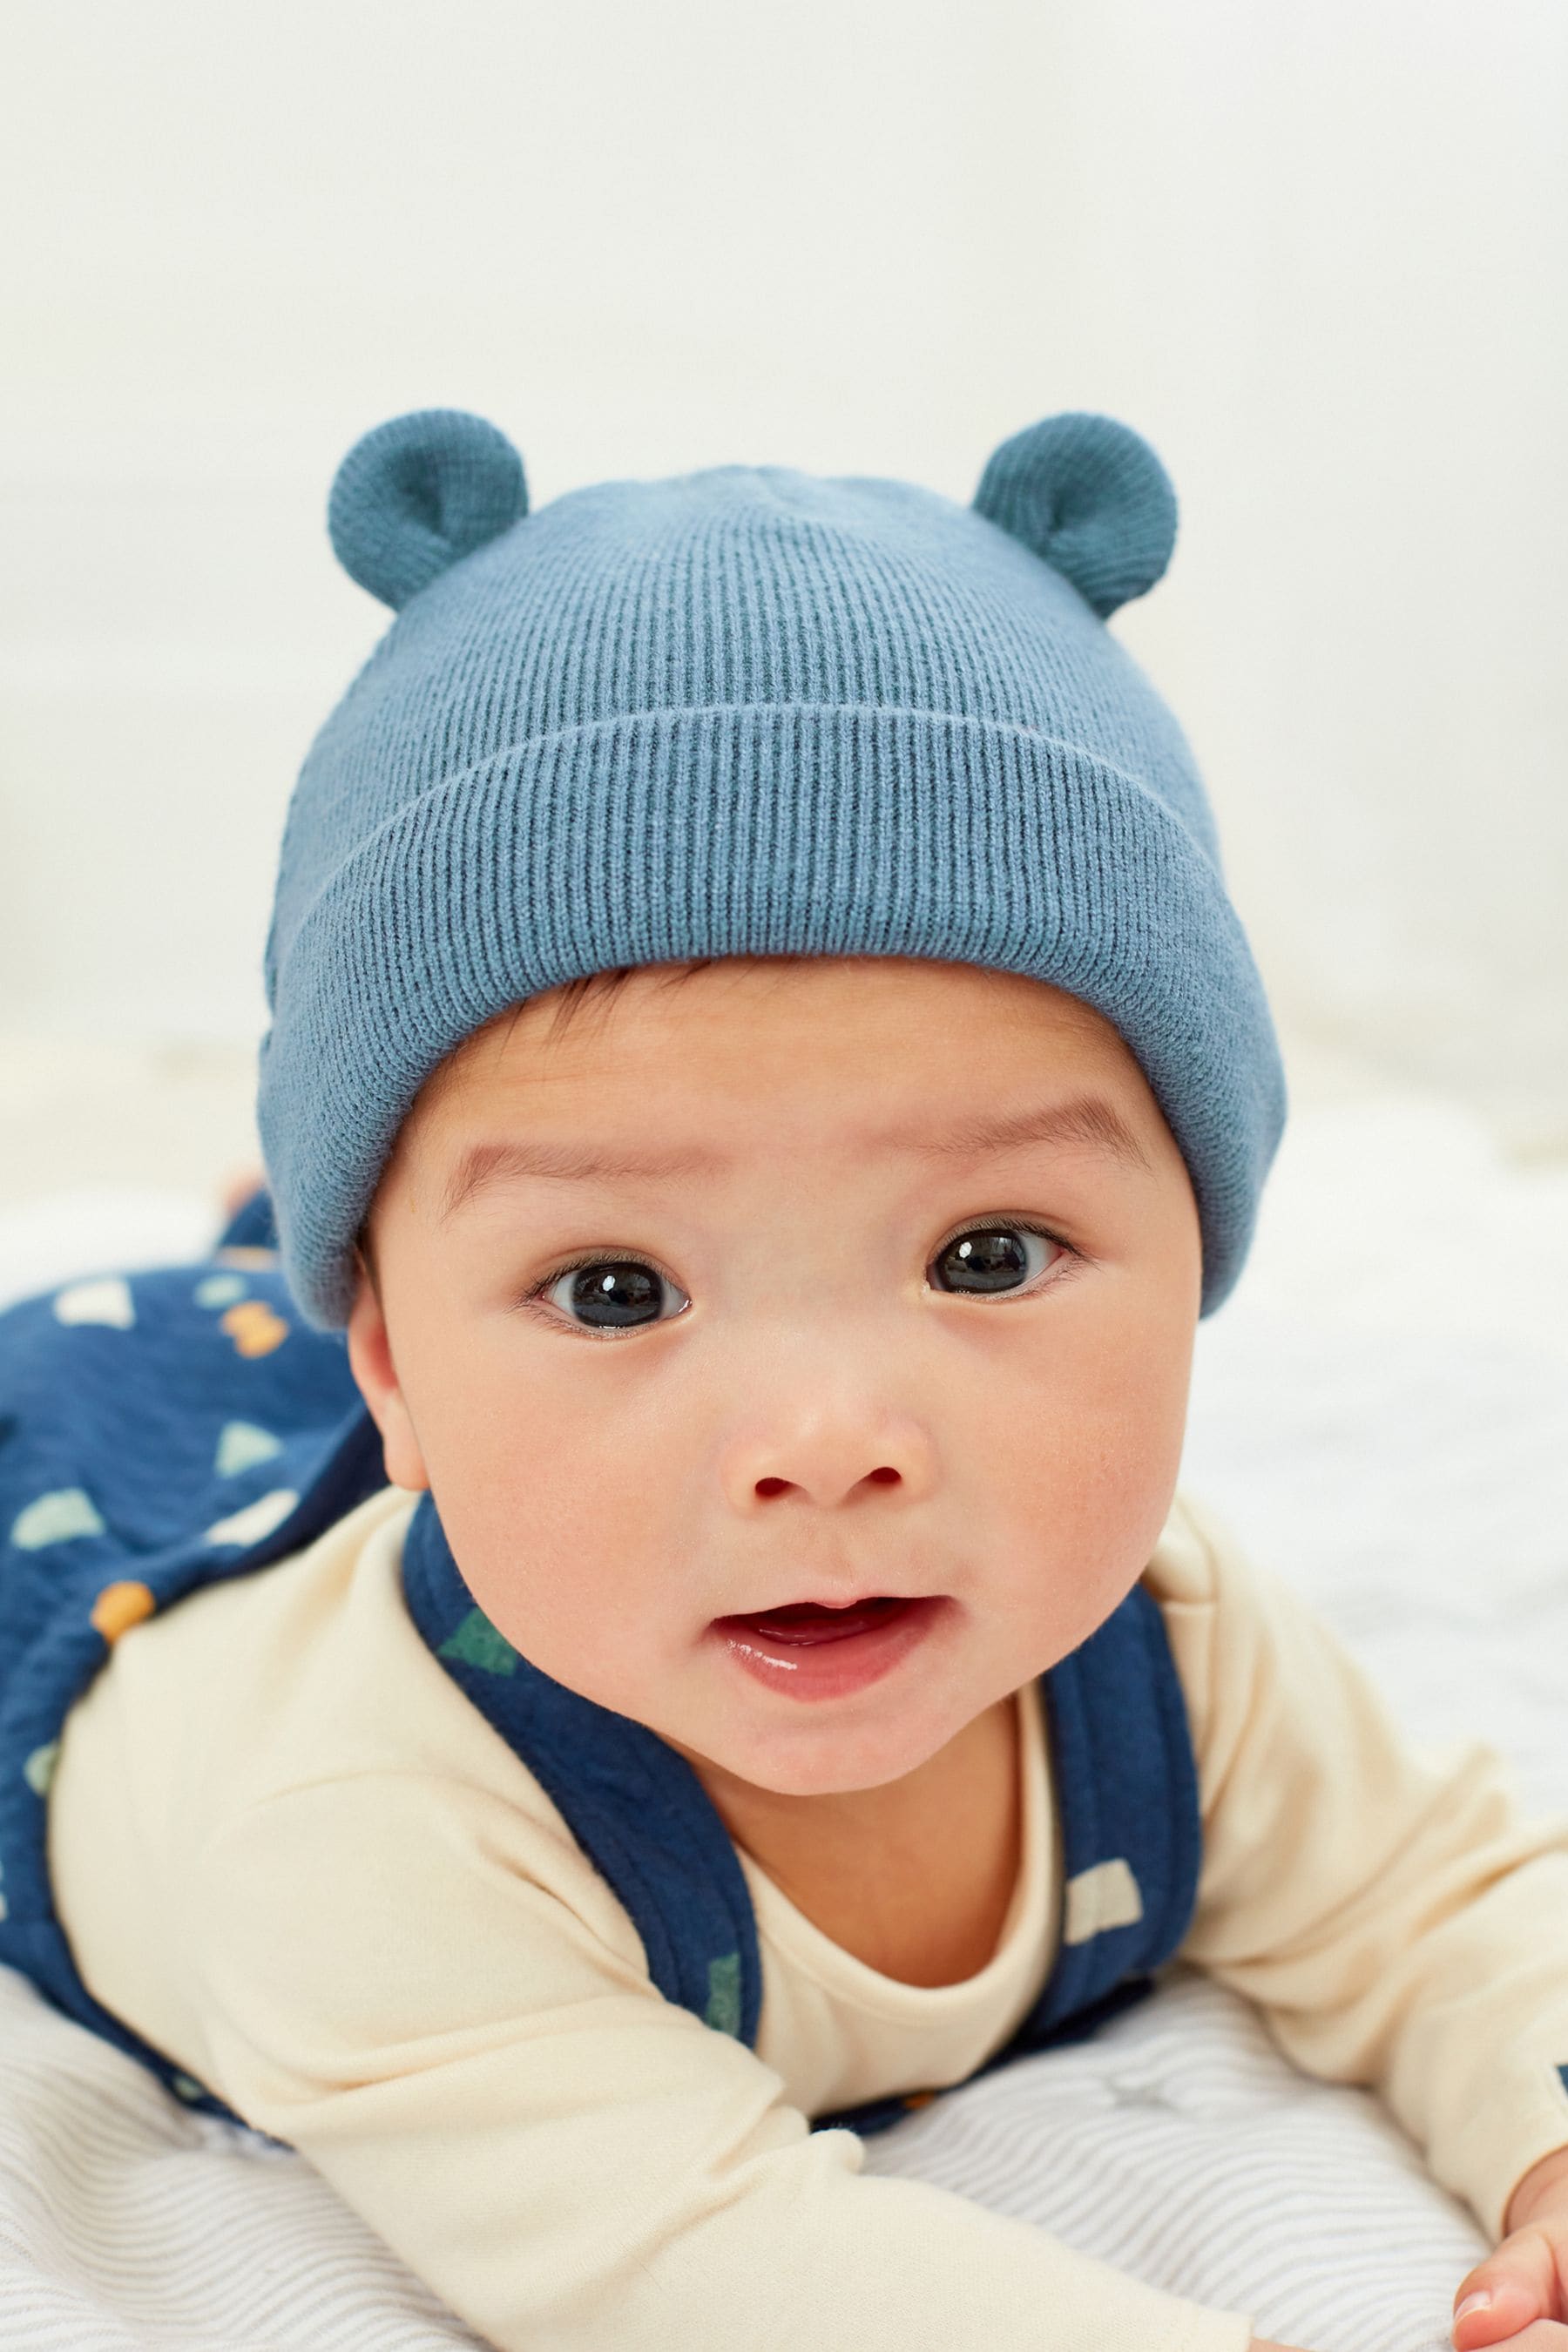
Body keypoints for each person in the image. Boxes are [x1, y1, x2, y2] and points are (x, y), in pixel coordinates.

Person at [1, 406, 1565, 2352]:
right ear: (392, 1364)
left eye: (987, 1256)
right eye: (614, 1283)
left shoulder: (1173, 1640)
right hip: (79, 1503)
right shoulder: (357, 1827)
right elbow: (709, 2262)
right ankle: (270, 1260)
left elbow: (1440, 1904)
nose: (828, 1443)